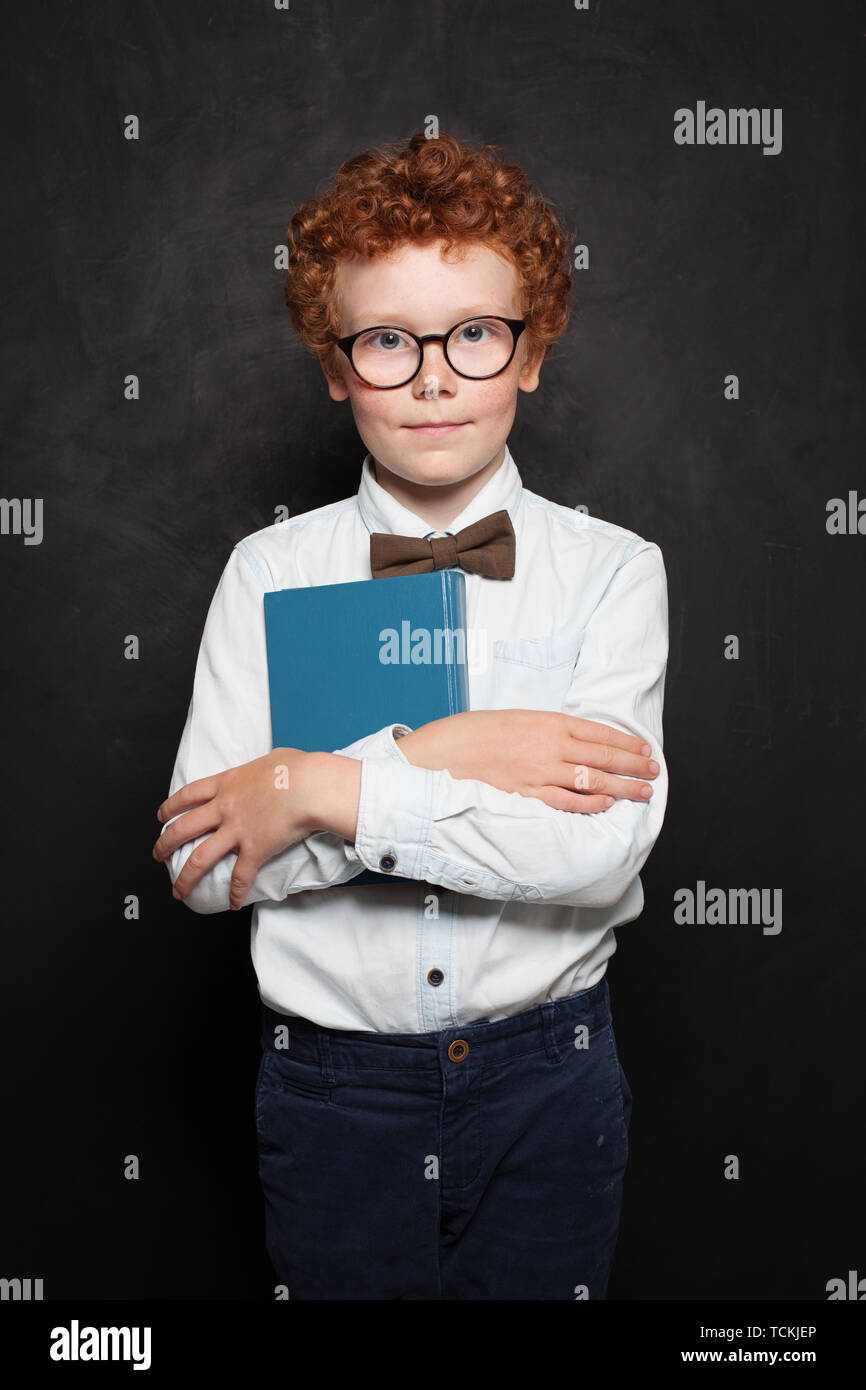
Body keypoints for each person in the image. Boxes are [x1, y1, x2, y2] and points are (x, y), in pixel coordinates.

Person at [153, 130, 669, 1300]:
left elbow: (594, 852)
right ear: (334, 367)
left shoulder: (611, 573)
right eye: (387, 341)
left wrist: (316, 788)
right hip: (332, 1093)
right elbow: (200, 861)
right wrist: (446, 757)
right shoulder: (266, 573)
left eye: (472, 335)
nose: (432, 377)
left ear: (528, 353)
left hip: (551, 1080)